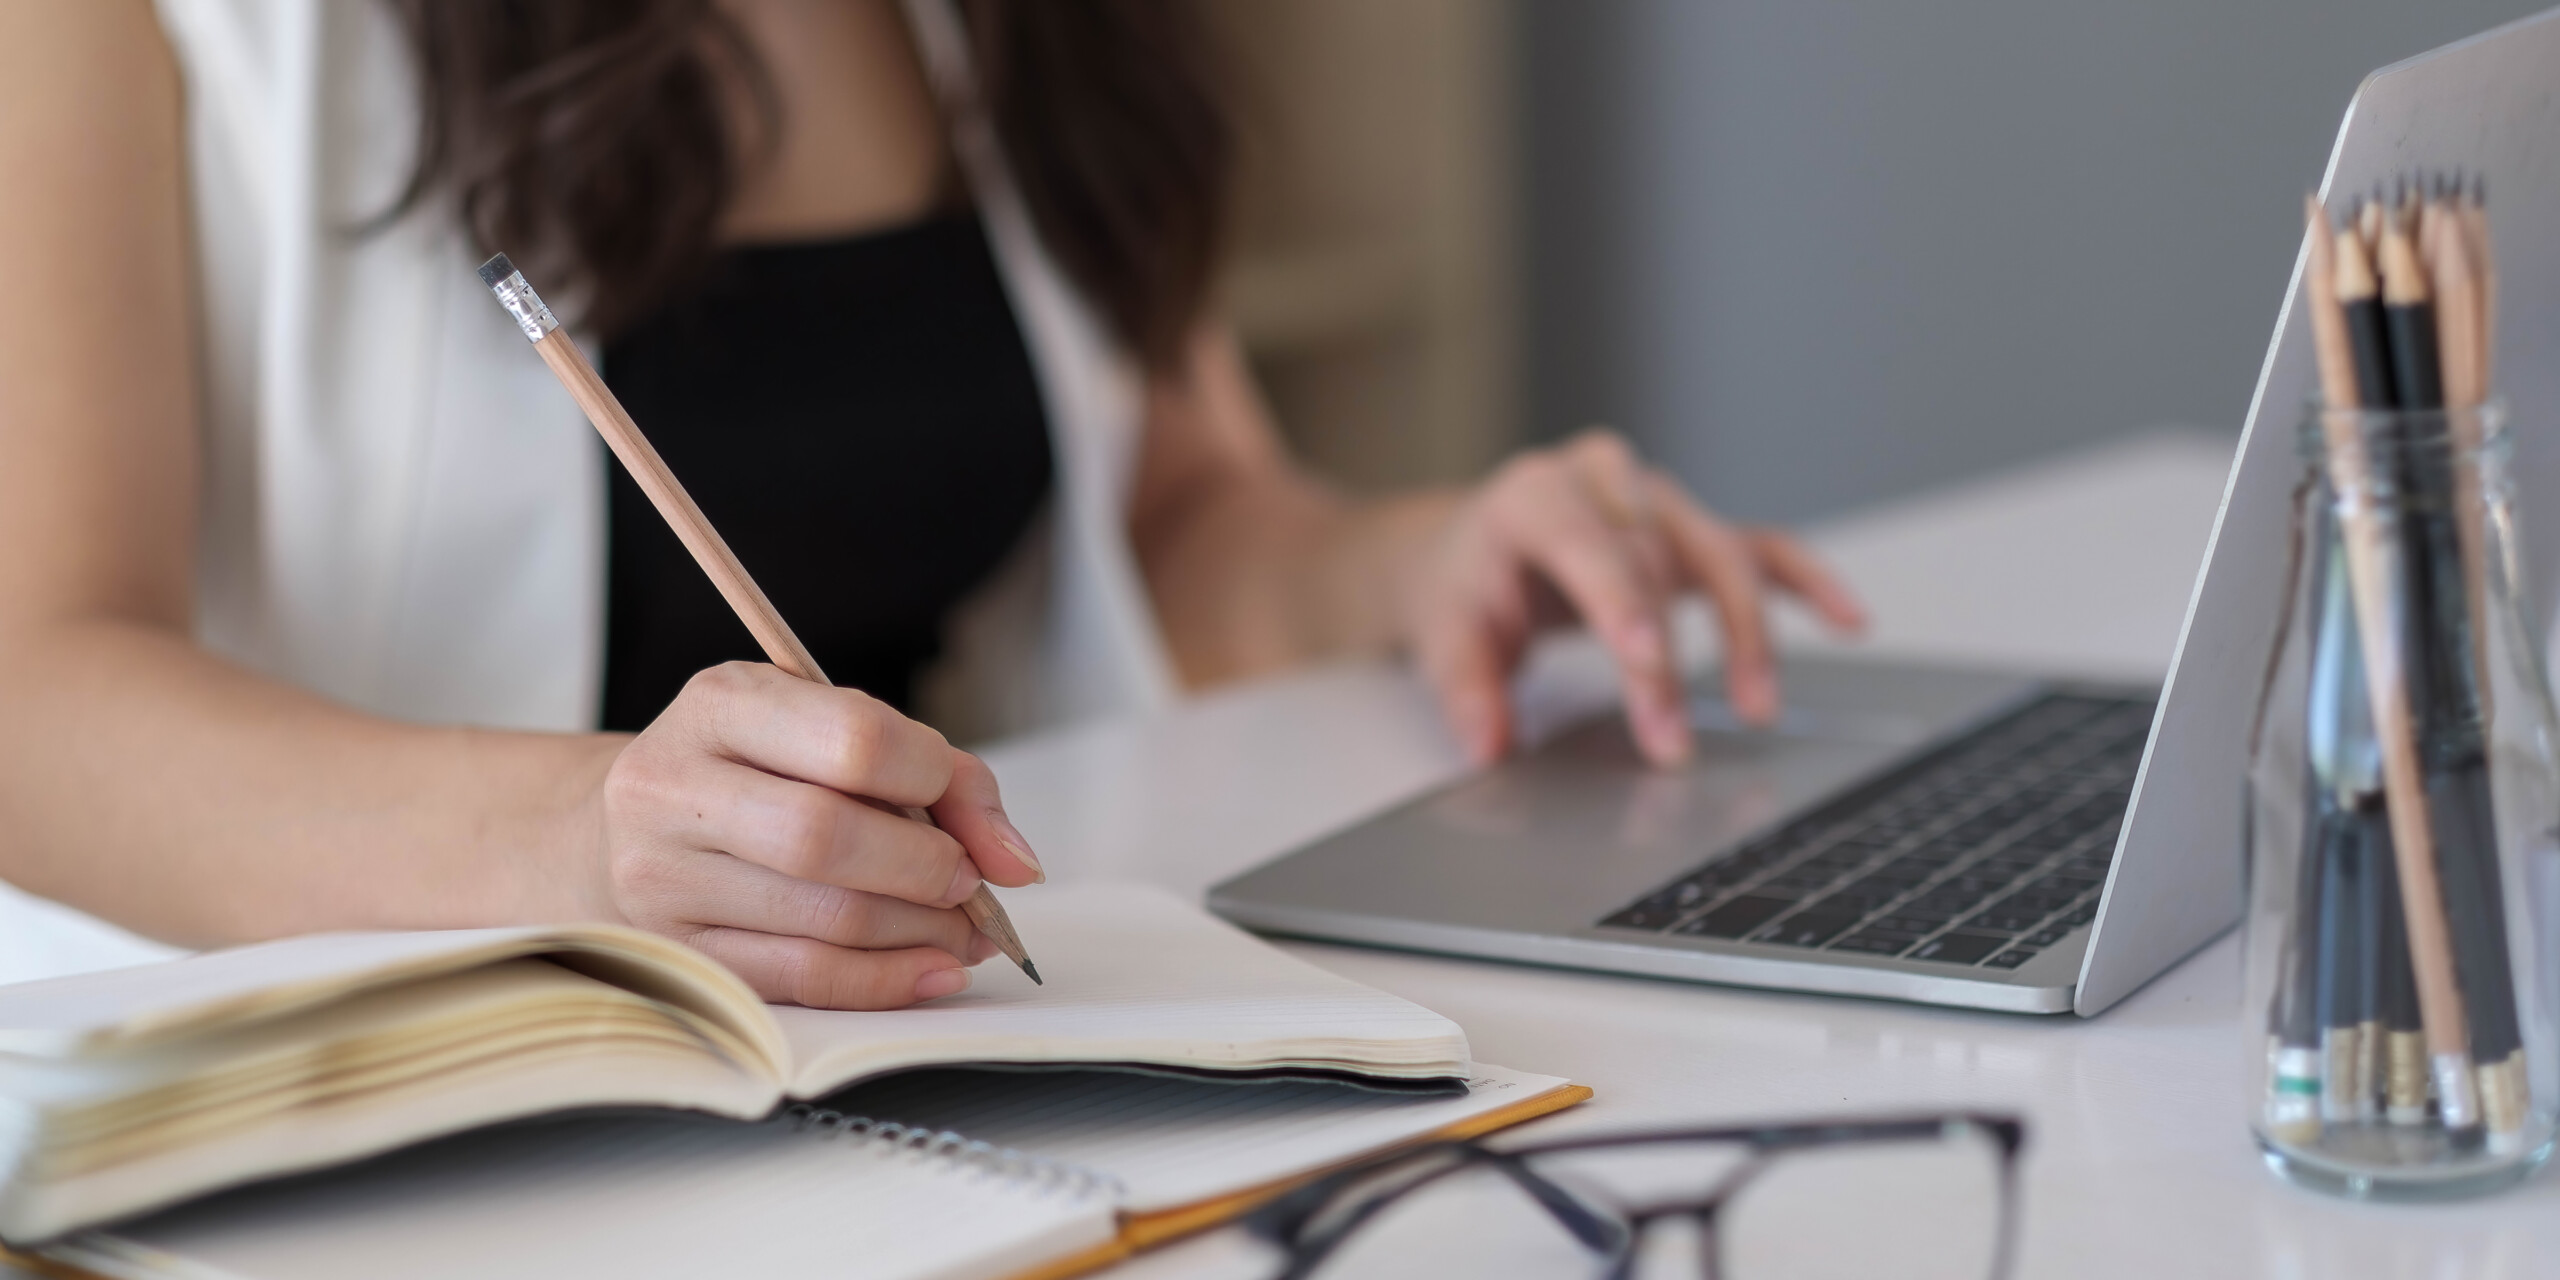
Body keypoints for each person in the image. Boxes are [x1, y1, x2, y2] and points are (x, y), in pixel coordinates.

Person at [0, 0, 1863, 1008]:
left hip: (876, 1055)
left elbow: (1170, 518)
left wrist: (1420, 564)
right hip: (355, 1094)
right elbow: (33, 694)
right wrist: (590, 842)